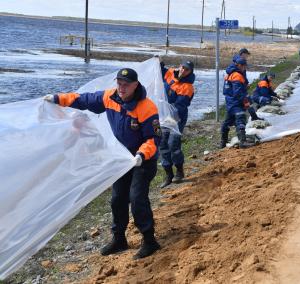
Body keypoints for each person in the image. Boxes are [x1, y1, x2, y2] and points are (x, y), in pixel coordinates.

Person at [43, 68, 161, 259]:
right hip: (123, 159)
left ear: (135, 85)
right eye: (119, 83)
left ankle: (149, 241)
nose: (122, 88)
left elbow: (154, 139)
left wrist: (141, 154)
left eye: (126, 85)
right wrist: (57, 98)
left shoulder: (147, 108)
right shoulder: (110, 97)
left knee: (137, 198)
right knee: (117, 199)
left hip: (143, 161)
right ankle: (119, 239)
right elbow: (83, 99)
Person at [160, 60, 195, 188]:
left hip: (176, 117)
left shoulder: (188, 87)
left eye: (187, 70)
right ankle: (168, 174)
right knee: (162, 143)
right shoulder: (170, 72)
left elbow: (179, 105)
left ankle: (179, 171)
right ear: (179, 66)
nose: (183, 70)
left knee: (173, 143)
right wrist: (159, 63)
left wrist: (165, 105)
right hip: (163, 115)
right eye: (182, 67)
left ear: (190, 72)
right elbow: (159, 72)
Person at [221, 56, 254, 149]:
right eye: (243, 66)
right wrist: (246, 100)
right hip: (236, 102)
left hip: (229, 101)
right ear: (239, 65)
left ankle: (223, 142)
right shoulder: (237, 75)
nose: (245, 68)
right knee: (241, 119)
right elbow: (238, 92)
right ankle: (242, 141)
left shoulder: (229, 73)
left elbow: (227, 90)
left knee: (227, 122)